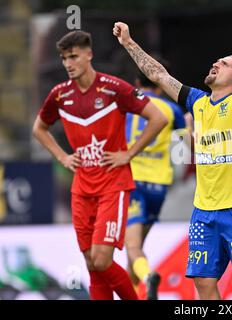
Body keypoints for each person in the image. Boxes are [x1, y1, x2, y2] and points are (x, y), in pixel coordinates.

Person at [113, 12, 232, 300]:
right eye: (217, 61)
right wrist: (129, 42)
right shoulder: (197, 102)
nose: (216, 63)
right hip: (203, 211)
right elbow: (157, 75)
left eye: (225, 63)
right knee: (203, 282)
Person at [32, 30, 168, 300]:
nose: (68, 64)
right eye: (63, 58)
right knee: (92, 266)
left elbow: (158, 117)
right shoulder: (60, 95)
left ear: (88, 55)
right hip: (81, 187)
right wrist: (62, 156)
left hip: (112, 185)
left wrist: (128, 154)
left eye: (73, 57)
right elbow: (40, 128)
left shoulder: (113, 88)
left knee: (102, 259)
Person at [125, 70, 191, 300]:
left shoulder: (126, 104)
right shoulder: (171, 110)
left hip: (132, 182)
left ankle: (148, 276)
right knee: (136, 248)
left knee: (132, 247)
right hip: (159, 186)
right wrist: (190, 121)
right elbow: (186, 144)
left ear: (136, 82)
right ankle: (135, 293)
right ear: (160, 87)